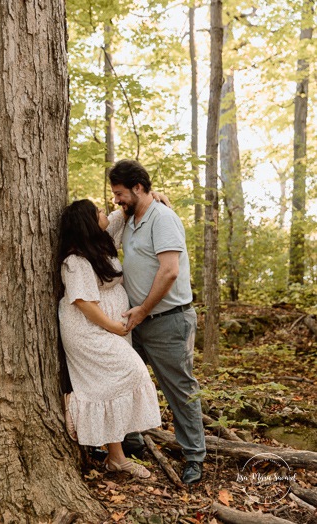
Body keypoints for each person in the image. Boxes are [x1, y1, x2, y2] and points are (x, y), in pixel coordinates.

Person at [108, 159, 205, 485]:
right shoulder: (131, 219)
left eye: (120, 193)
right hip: (140, 320)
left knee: (179, 389)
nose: (116, 199)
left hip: (167, 320)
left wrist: (143, 310)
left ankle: (194, 457)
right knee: (127, 379)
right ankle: (132, 439)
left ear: (137, 187)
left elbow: (170, 271)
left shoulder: (162, 218)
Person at [58, 199, 162, 479]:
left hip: (110, 325)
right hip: (88, 329)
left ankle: (117, 458)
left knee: (108, 387)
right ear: (88, 222)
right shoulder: (75, 260)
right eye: (98, 212)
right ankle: (75, 405)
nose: (105, 213)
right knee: (132, 372)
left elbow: (119, 215)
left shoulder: (100, 243)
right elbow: (83, 303)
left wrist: (154, 197)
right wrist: (114, 328)